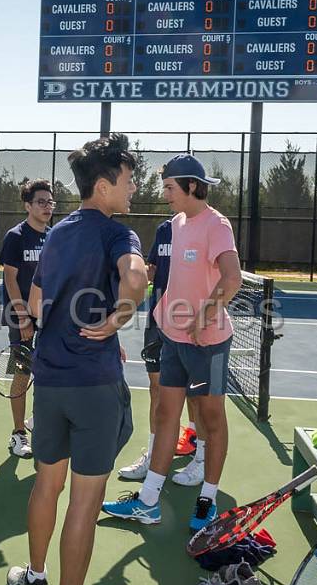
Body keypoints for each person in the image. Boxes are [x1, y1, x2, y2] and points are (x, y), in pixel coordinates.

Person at [5, 133, 146, 585]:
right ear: (105, 185)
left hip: (52, 380)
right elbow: (135, 280)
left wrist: (82, 326)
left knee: (47, 484)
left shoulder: (58, 231)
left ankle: (35, 580)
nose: (133, 189)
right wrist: (116, 320)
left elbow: (39, 306)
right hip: (92, 385)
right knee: (85, 501)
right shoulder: (118, 234)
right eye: (129, 180)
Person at [102, 153, 242, 534]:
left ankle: (207, 499)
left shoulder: (217, 225)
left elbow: (232, 278)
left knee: (211, 421)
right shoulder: (176, 224)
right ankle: (148, 501)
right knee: (167, 413)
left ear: (192, 187)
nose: (165, 195)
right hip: (173, 338)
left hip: (208, 343)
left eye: (169, 188)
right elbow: (173, 277)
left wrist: (204, 316)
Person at [118, 218, 205, 483]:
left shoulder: (205, 226)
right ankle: (155, 454)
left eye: (171, 186)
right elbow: (153, 269)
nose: (166, 193)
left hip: (190, 324)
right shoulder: (164, 229)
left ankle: (201, 456)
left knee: (195, 391)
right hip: (157, 321)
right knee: (157, 388)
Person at [0, 179, 54, 458]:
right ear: (28, 205)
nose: (47, 207)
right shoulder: (16, 236)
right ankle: (18, 434)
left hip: (48, 318)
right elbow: (9, 279)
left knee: (48, 372)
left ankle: (36, 422)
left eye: (50, 202)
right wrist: (22, 318)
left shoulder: (53, 235)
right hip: (20, 318)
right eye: (41, 202)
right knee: (22, 372)